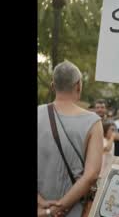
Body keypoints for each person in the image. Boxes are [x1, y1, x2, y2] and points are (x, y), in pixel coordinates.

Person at [38, 61, 103, 217]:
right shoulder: (92, 121)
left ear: (53, 86)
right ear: (78, 85)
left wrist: (41, 203)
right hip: (74, 210)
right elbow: (92, 174)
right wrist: (58, 208)